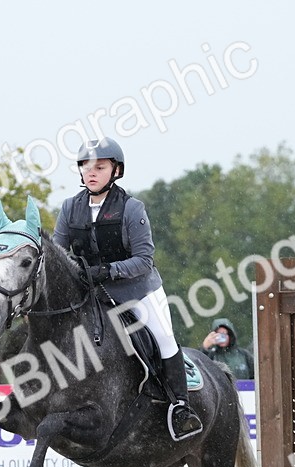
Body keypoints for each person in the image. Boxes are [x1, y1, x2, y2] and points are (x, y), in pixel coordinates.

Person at [52, 138, 203, 440]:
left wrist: (109, 270)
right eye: (85, 166)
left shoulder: (132, 209)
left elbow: (144, 260)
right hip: (91, 295)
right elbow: (58, 254)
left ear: (116, 171)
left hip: (136, 291)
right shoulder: (70, 209)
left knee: (163, 337)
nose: (90, 172)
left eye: (99, 166)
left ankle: (181, 407)